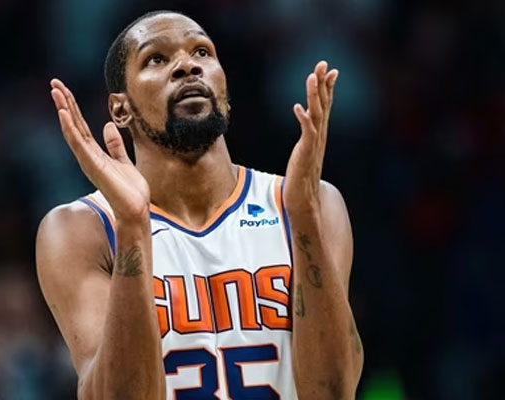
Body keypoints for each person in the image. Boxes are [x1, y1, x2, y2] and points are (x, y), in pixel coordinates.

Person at [36, 10, 363, 400]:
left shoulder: (312, 204)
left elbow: (333, 391)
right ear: (120, 109)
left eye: (202, 52)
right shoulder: (80, 230)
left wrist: (305, 218)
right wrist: (133, 228)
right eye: (156, 59)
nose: (187, 66)